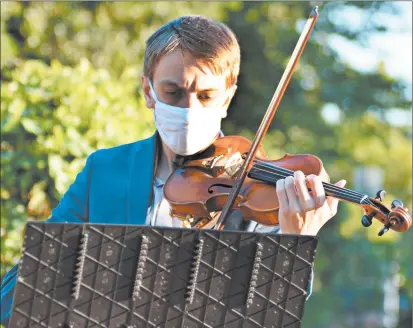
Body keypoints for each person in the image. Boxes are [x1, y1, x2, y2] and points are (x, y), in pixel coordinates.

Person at [0, 15, 346, 326]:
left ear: (227, 98)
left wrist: (295, 243)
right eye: (173, 92)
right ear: (148, 91)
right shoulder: (104, 171)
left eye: (207, 95)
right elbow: (12, 298)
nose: (189, 109)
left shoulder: (258, 195)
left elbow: (270, 318)